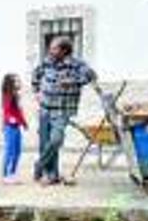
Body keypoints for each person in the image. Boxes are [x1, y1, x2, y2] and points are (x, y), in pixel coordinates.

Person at [32, 36, 100, 185]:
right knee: (45, 143)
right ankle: (51, 175)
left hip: (62, 110)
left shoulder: (76, 64)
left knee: (56, 140)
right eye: (50, 47)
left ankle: (39, 164)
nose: (50, 50)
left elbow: (92, 76)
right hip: (45, 109)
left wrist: (72, 81)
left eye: (54, 48)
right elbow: (35, 75)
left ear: (64, 50)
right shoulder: (47, 62)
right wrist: (36, 91)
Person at [1, 73, 28, 184]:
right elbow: (6, 111)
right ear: (10, 83)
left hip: (16, 127)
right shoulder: (7, 95)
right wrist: (10, 120)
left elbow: (19, 112)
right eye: (16, 81)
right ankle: (5, 175)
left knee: (17, 151)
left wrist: (24, 123)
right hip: (10, 127)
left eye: (19, 80)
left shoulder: (16, 96)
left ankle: (13, 174)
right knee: (10, 151)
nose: (19, 82)